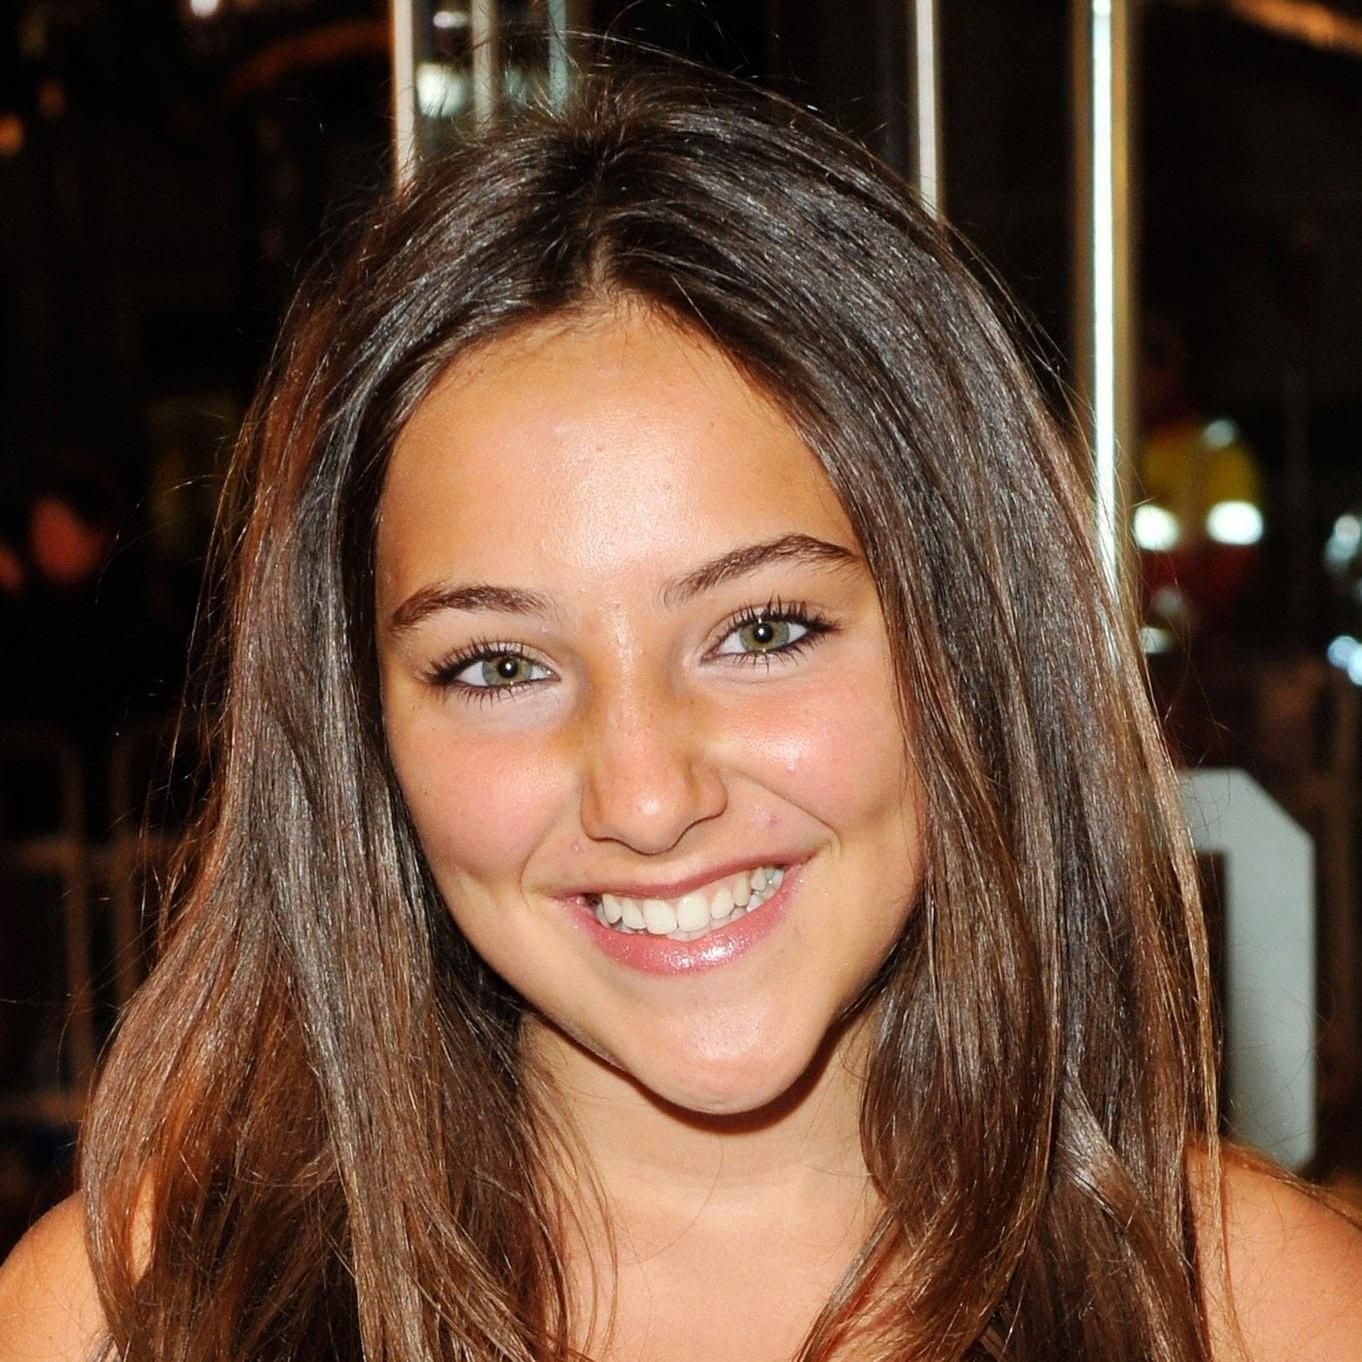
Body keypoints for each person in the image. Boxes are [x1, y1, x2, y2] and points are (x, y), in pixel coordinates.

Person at [2, 71, 1360, 1362]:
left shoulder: (1265, 1315)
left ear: (969, 643)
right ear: (361, 728)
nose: (647, 798)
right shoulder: (135, 1319)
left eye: (761, 632)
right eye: (498, 665)